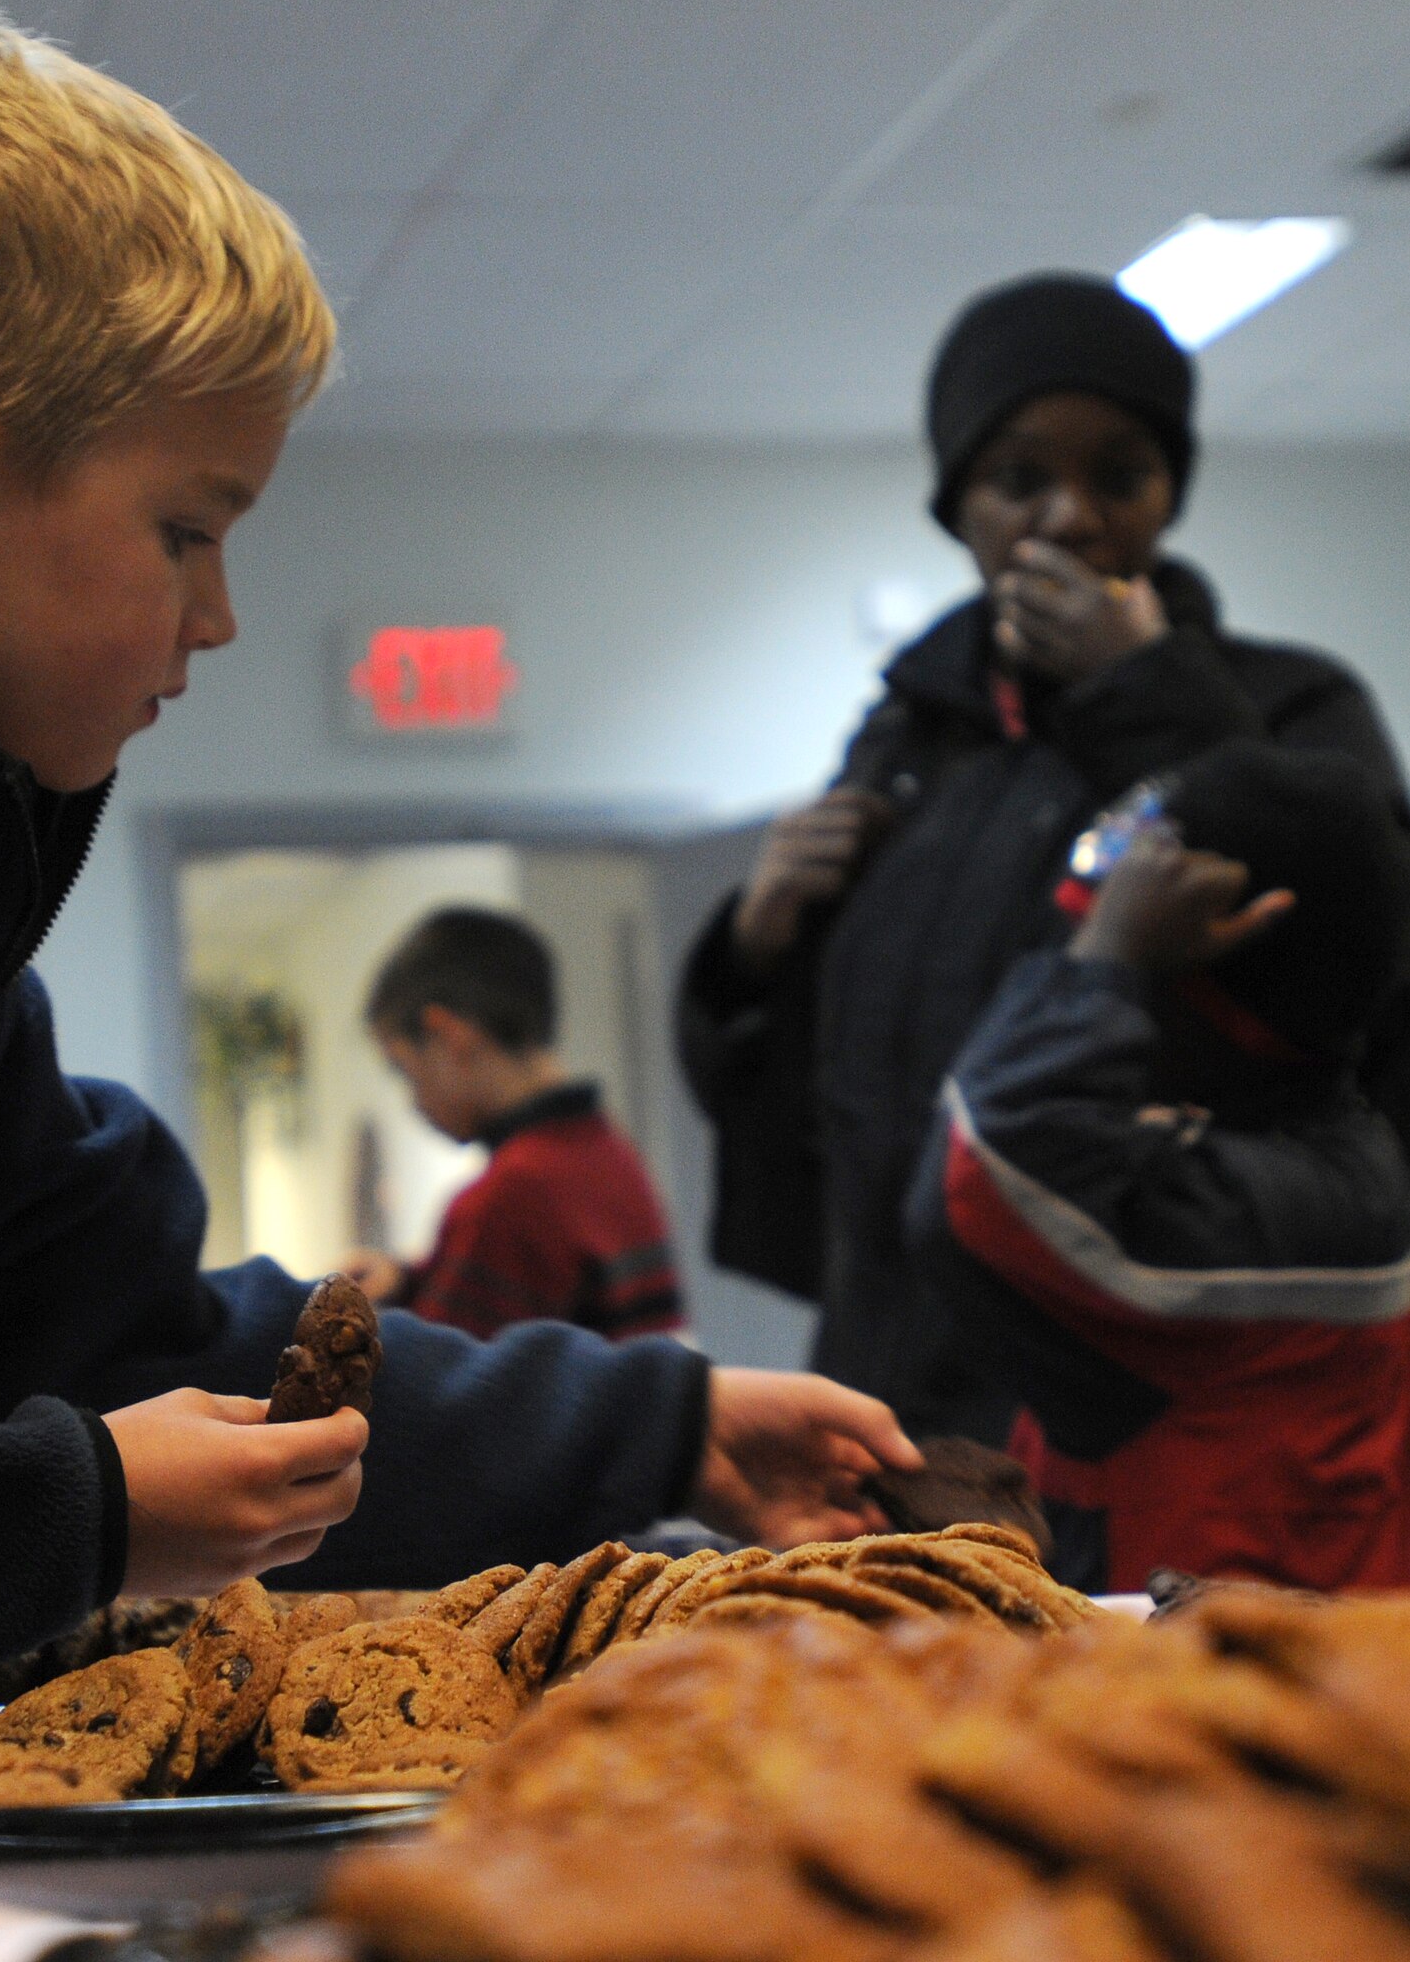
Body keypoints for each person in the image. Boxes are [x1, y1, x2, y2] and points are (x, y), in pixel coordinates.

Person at [0, 8, 918, 1743]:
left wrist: (664, 1428)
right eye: (189, 532)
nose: (218, 619)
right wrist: (81, 1505)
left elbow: (159, 1351)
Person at [678, 271, 1408, 1443]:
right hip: (896, 1378)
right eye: (1020, 478)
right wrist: (753, 949)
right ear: (959, 504)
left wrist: (1144, 689)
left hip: (1148, 1391)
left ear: (1168, 493)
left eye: (1118, 474)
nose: (1069, 516)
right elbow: (811, 1100)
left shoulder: (1290, 708)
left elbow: (1355, 976)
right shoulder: (905, 742)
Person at [907, 742, 1410, 1593]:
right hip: (1183, 1662)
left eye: (1136, 971)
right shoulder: (1262, 1141)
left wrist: (1107, 958)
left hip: (1249, 1697)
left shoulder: (1315, 1209)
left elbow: (976, 1183)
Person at [345, 907, 686, 1341]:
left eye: (404, 1069)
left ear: (449, 1034)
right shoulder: (610, 1153)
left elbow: (432, 1390)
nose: (414, 1101)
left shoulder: (511, 1195)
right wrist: (407, 1281)